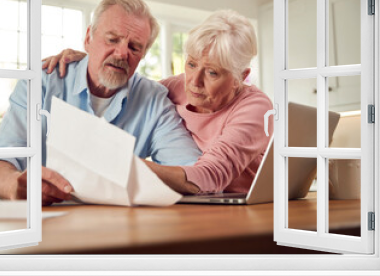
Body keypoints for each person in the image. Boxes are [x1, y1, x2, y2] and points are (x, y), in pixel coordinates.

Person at [0, 0, 202, 205]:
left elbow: (193, 174)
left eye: (134, 47)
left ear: (142, 55)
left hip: (116, 225)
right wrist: (14, 185)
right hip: (44, 218)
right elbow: (1, 161)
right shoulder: (42, 82)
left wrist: (122, 166)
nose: (122, 53)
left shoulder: (154, 101)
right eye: (112, 39)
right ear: (88, 38)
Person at [43, 10, 274, 195]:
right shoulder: (174, 87)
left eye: (212, 73)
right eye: (192, 64)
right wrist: (94, 61)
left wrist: (124, 163)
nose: (194, 82)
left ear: (240, 77)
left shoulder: (255, 108)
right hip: (194, 198)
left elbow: (212, 175)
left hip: (247, 203)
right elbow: (129, 85)